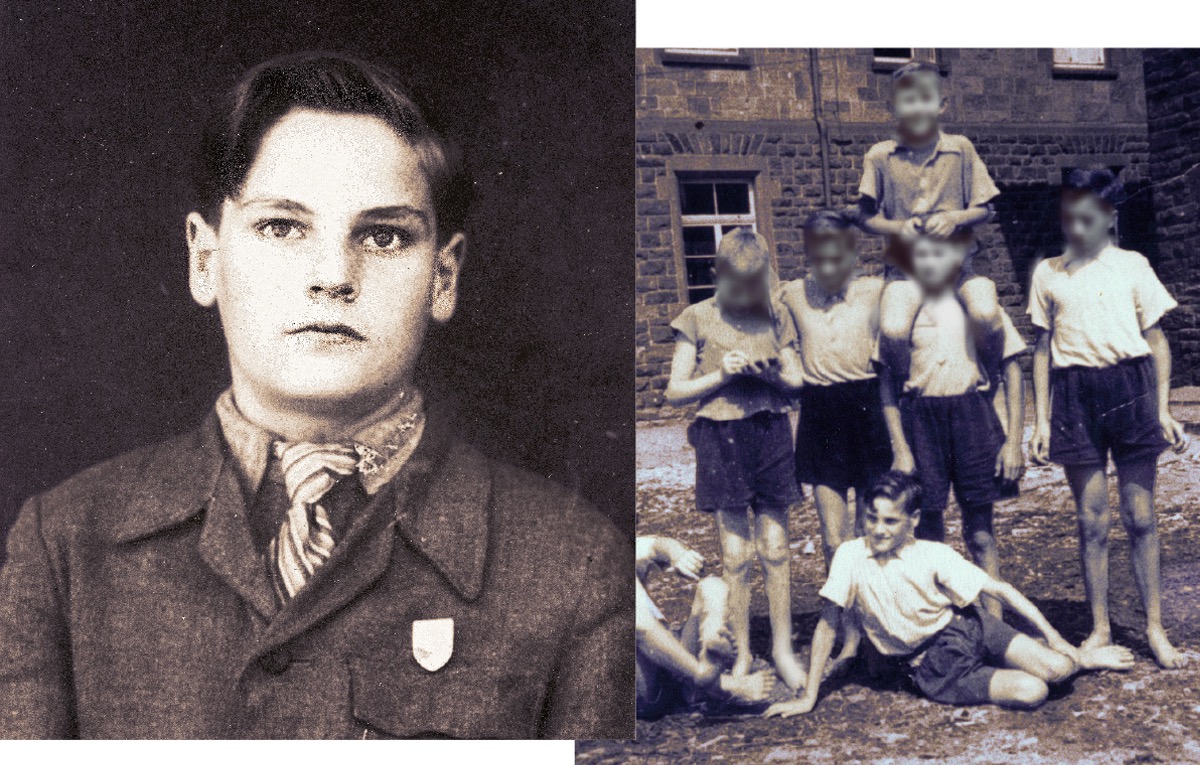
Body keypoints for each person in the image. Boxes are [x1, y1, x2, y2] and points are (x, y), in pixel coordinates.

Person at [0, 52, 632, 739]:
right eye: (282, 227)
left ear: (443, 278)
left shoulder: (573, 565)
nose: (333, 275)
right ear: (205, 259)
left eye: (384, 235)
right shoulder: (64, 546)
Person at [763, 471, 1136, 718]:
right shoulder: (850, 556)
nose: (877, 529)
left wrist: (1057, 639)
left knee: (1058, 668)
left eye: (890, 521)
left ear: (912, 521)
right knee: (1033, 691)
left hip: (969, 626)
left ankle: (1083, 659)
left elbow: (1000, 590)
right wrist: (809, 696)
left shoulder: (932, 553)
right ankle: (1023, 663)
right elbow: (828, 626)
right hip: (932, 665)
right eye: (871, 518)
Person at [1028, 166, 1189, 669]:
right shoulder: (1048, 272)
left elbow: (1158, 341)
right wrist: (1042, 419)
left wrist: (1162, 408)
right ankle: (1099, 627)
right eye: (1069, 219)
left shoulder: (1133, 265)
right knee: (1090, 521)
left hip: (1131, 388)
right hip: (1075, 395)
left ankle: (1155, 629)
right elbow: (1042, 350)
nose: (1076, 229)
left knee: (1141, 517)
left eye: (1087, 219)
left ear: (1109, 218)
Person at [664, 227, 806, 689]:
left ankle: (782, 649)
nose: (745, 296)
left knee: (777, 548)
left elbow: (798, 381)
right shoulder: (697, 318)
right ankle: (743, 653)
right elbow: (675, 391)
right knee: (736, 553)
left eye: (754, 286)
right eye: (736, 286)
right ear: (716, 274)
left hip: (769, 431)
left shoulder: (776, 314)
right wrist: (720, 376)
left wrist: (772, 377)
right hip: (720, 438)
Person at [876, 231, 1026, 617]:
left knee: (980, 530)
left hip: (971, 415)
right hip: (921, 418)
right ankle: (937, 619)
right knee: (928, 529)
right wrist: (900, 447)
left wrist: (1013, 442)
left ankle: (993, 621)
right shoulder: (902, 312)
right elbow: (888, 388)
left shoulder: (978, 307)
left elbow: (1012, 368)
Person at [858, 60, 1004, 377]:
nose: (917, 108)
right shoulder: (879, 156)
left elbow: (986, 209)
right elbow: (865, 217)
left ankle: (991, 377)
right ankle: (906, 388)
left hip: (958, 266)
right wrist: (899, 227)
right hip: (905, 271)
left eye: (925, 99)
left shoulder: (961, 149)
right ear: (893, 107)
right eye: (908, 100)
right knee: (893, 331)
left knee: (986, 314)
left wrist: (955, 218)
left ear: (941, 105)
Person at [778, 210, 891, 567]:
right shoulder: (792, 294)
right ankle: (842, 619)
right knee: (832, 538)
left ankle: (873, 616)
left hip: (868, 408)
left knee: (869, 531)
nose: (827, 269)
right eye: (817, 261)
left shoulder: (877, 291)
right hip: (821, 412)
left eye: (835, 260)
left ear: (853, 255)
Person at [635, 536, 777, 719]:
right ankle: (715, 684)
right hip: (640, 691)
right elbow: (642, 629)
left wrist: (679, 554)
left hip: (668, 663)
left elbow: (656, 545)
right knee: (636, 622)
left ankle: (711, 644)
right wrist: (701, 675)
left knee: (713, 586)